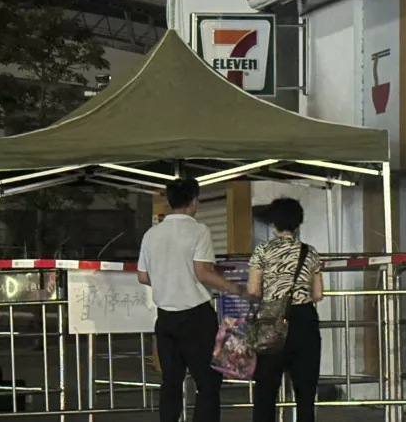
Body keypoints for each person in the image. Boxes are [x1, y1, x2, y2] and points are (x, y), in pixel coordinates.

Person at [137, 177, 245, 422]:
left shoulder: (151, 234)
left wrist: (168, 280)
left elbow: (143, 276)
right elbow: (203, 272)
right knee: (207, 382)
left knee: (171, 383)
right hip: (196, 316)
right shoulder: (199, 230)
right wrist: (235, 289)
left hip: (165, 318)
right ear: (194, 201)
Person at [247, 198, 323, 422]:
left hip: (272, 321)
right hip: (305, 321)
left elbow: (253, 289)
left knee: (265, 392)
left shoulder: (263, 250)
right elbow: (318, 294)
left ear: (274, 223)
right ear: (298, 224)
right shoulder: (310, 252)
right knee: (305, 393)